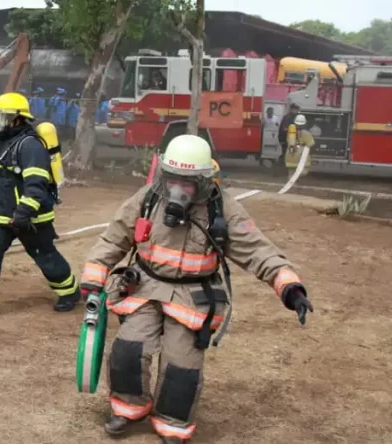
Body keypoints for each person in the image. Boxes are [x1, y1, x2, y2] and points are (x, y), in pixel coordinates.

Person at [79, 134, 313, 442]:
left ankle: (172, 425)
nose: (176, 189)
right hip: (145, 287)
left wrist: (289, 287)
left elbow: (257, 250)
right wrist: (93, 277)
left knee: (182, 365)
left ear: (203, 180)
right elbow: (114, 237)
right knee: (128, 349)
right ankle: (128, 409)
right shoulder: (148, 198)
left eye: (186, 183)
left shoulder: (223, 209)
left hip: (192, 297)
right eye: (172, 179)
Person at [0, 92, 80, 318]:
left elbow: (36, 186)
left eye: (4, 117)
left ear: (17, 119)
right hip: (2, 217)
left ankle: (70, 293)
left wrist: (23, 214)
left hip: (30, 218)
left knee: (45, 255)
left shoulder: (30, 146)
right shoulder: (6, 143)